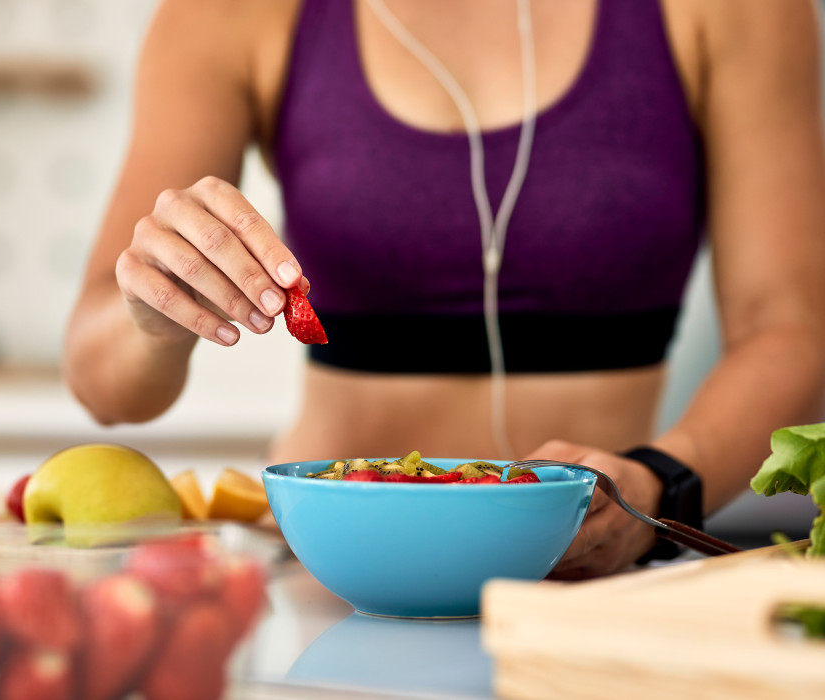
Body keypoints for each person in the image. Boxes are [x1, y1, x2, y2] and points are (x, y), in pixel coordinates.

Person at [63, 0, 825, 579]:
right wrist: (152, 311)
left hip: (591, 578)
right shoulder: (231, 13)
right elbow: (108, 386)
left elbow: (792, 328)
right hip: (326, 580)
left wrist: (662, 482)